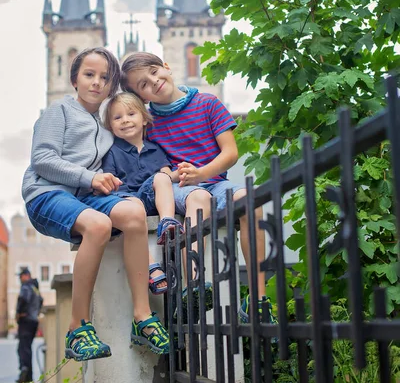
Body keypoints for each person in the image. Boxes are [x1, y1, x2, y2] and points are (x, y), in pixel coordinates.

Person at [22, 47, 169, 361]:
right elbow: (42, 160)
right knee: (99, 225)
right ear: (75, 78)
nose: (96, 83)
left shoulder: (106, 127)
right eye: (89, 75)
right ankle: (78, 329)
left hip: (83, 198)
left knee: (133, 212)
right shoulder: (57, 111)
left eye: (105, 78)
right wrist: (90, 179)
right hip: (46, 194)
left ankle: (142, 317)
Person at [120, 52, 268, 323]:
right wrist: (180, 176)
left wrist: (203, 172)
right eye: (142, 84)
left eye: (154, 72)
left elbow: (230, 153)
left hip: (215, 180)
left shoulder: (207, 103)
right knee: (198, 198)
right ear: (142, 97)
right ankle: (195, 286)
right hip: (183, 187)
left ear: (166, 66)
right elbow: (155, 167)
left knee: (250, 199)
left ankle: (258, 299)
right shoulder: (149, 124)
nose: (153, 82)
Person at [102, 92, 184, 294]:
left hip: (149, 198)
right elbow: (110, 182)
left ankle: (167, 222)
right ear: (110, 125)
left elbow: (166, 174)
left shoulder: (155, 149)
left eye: (131, 114)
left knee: (162, 178)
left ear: (144, 119)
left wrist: (178, 173)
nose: (125, 120)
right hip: (125, 199)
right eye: (117, 117)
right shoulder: (111, 151)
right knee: (133, 205)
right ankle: (151, 266)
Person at [15, 268, 43, 383]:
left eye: (21, 276)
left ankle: (24, 371)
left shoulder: (26, 286)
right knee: (27, 348)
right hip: (33, 321)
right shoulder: (35, 288)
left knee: (23, 348)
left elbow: (23, 298)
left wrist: (19, 313)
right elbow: (40, 300)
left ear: (26, 275)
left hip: (25, 320)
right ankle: (29, 376)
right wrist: (35, 313)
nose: (20, 279)